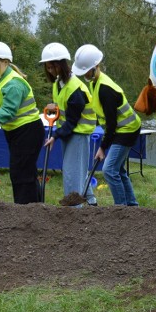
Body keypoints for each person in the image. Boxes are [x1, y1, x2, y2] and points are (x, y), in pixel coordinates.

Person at [0, 41, 43, 204]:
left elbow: (8, 111)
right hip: (16, 131)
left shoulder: (14, 83)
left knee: (21, 173)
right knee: (25, 171)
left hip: (28, 131)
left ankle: (25, 210)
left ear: (5, 62)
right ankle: (36, 209)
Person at [73, 44, 141, 206]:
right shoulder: (95, 83)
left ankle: (121, 209)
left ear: (95, 67)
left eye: (86, 72)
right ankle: (132, 205)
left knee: (109, 171)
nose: (84, 76)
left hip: (127, 130)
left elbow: (111, 124)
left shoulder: (105, 90)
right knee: (119, 170)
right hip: (119, 130)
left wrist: (102, 147)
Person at [42, 42, 98, 205]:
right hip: (69, 132)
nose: (50, 71)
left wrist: (55, 137)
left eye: (52, 67)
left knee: (72, 174)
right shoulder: (59, 83)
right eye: (48, 68)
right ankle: (92, 202)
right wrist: (55, 107)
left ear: (61, 65)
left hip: (78, 134)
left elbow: (72, 121)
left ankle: (74, 211)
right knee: (79, 171)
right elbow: (64, 107)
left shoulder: (75, 89)